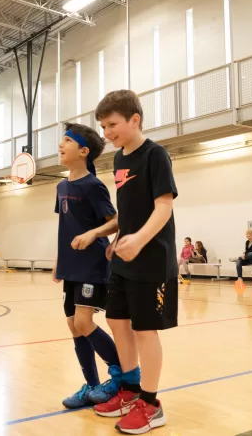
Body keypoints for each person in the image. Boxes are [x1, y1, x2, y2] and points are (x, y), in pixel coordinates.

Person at [93, 90, 177, 434]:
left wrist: (139, 240)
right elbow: (128, 212)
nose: (107, 132)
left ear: (134, 119)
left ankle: (151, 404)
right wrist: (112, 238)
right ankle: (128, 391)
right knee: (116, 321)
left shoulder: (155, 155)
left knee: (145, 330)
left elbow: (163, 207)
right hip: (124, 259)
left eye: (112, 124)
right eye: (102, 126)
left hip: (152, 259)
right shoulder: (117, 160)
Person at [51, 122, 123, 409]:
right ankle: (92, 387)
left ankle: (119, 374)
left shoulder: (94, 186)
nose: (61, 145)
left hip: (92, 264)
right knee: (73, 326)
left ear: (83, 151)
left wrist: (93, 234)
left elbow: (116, 221)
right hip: (71, 266)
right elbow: (65, 226)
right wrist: (59, 262)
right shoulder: (61, 186)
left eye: (67, 140)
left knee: (83, 322)